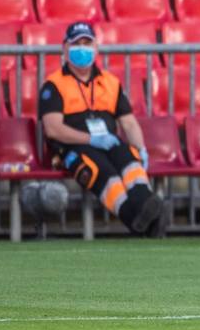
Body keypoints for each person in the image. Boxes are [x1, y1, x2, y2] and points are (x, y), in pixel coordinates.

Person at [39, 22, 164, 236]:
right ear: (65, 48)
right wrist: (90, 139)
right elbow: (53, 129)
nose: (83, 48)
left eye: (87, 43)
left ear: (96, 47)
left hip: (108, 141)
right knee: (103, 172)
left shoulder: (110, 82)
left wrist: (141, 148)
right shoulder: (54, 85)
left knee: (130, 159)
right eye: (77, 43)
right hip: (74, 147)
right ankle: (139, 218)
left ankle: (146, 205)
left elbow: (129, 122)